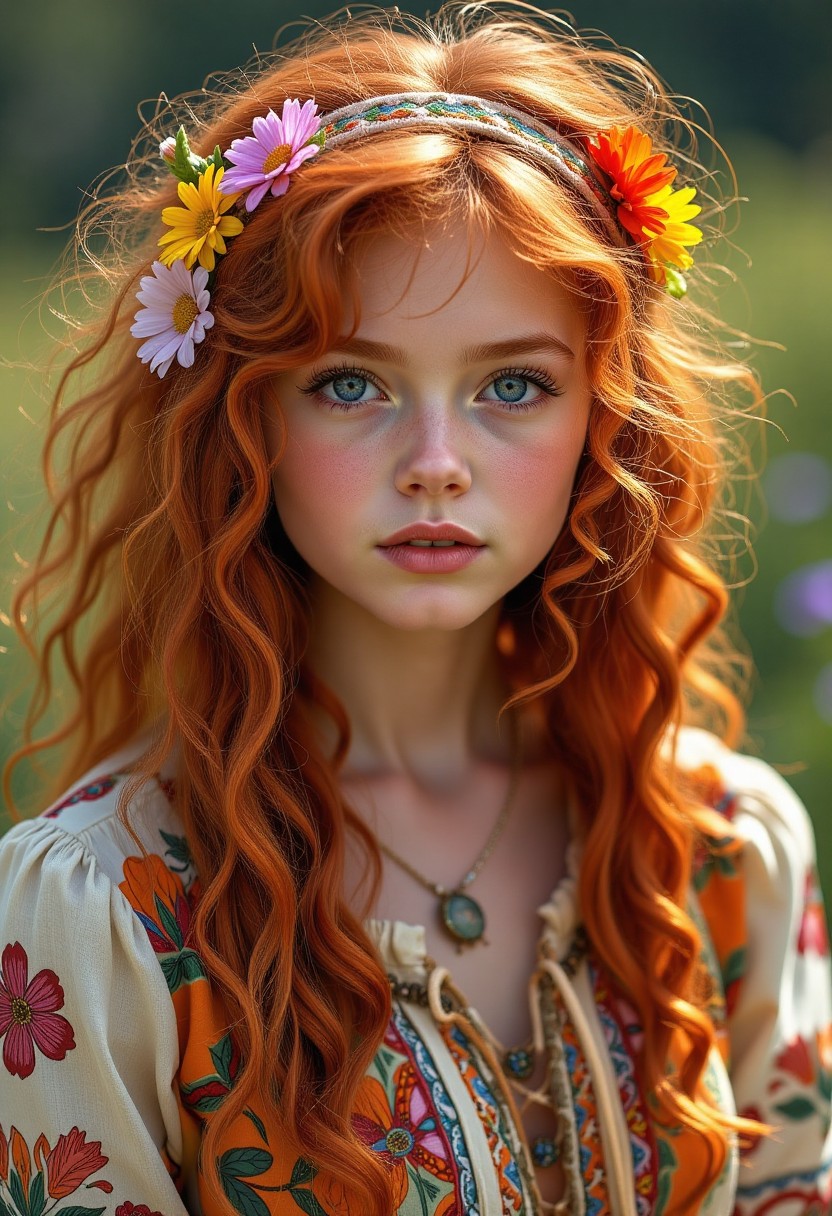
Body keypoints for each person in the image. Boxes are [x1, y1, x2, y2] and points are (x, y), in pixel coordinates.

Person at [0, 2, 830, 1213]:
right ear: (244, 421)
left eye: (512, 384)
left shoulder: (715, 853)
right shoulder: (99, 908)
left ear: (604, 419)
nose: (435, 459)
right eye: (350, 381)